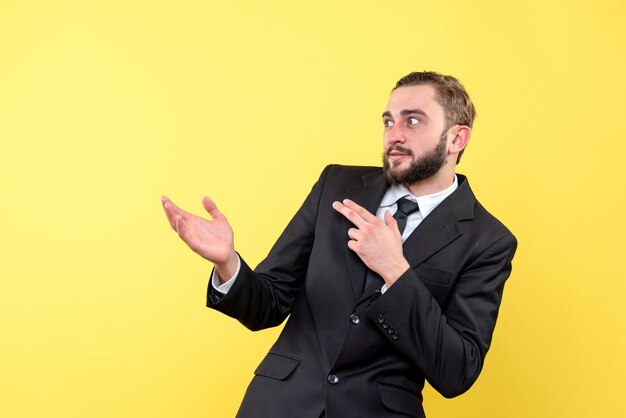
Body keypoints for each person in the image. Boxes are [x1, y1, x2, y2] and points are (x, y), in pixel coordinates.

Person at [161, 71, 517, 418]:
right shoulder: (337, 185)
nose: (394, 135)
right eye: (388, 121)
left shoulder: (487, 240)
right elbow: (268, 304)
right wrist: (228, 264)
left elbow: (457, 371)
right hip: (280, 404)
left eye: (413, 122)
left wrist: (395, 270)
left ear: (457, 139)